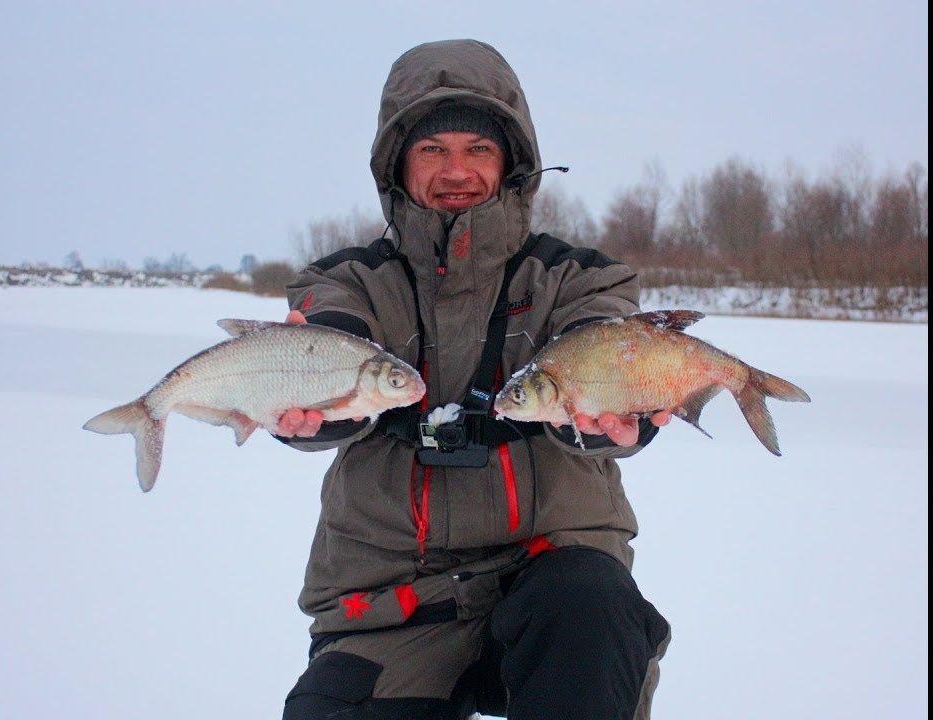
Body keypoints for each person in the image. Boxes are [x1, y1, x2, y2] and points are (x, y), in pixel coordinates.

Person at [273, 39, 672, 720]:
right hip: (393, 603)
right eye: (431, 150)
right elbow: (335, 334)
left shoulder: (581, 279)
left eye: (478, 149)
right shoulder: (343, 281)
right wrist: (317, 401)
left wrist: (613, 414)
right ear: (396, 164)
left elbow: (602, 341)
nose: (456, 170)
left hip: (554, 590)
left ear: (512, 164)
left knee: (589, 599)